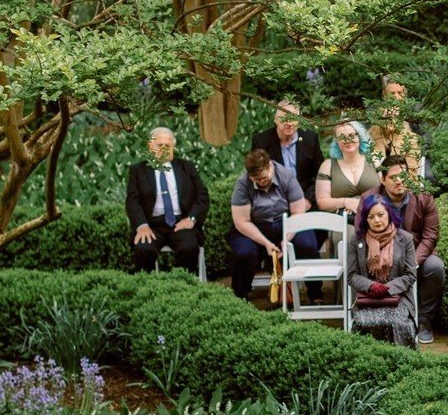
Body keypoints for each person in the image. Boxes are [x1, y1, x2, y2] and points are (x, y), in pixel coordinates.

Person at [228, 147, 311, 300]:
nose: (260, 182)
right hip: (254, 227)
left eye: (264, 177)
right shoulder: (242, 184)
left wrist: (286, 239)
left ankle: (315, 293)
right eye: (256, 179)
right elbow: (241, 221)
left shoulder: (286, 175)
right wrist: (265, 243)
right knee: (243, 253)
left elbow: (298, 212)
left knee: (307, 244)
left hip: (287, 223)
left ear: (269, 166)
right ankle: (240, 295)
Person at [377, 156, 442, 345]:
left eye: (403, 175)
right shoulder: (372, 199)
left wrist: (413, 260)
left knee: (435, 267)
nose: (399, 181)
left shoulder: (424, 197)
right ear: (383, 180)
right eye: (393, 177)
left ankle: (424, 321)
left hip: (417, 254)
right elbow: (362, 233)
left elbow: (431, 234)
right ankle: (388, 321)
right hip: (383, 255)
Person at [127, 127, 209, 273]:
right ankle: (150, 290)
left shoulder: (186, 167)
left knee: (189, 248)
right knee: (143, 249)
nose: (164, 149)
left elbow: (202, 195)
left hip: (181, 223)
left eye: (168, 146)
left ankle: (183, 287)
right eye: (160, 145)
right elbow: (133, 201)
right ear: (150, 146)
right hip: (152, 226)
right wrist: (141, 225)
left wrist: (191, 219)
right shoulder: (138, 170)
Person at [349, 192, 419, 346]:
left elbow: (410, 274)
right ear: (365, 219)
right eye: (371, 217)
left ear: (389, 213)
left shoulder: (405, 239)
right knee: (365, 323)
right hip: (367, 298)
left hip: (397, 298)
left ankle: (401, 364)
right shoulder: (356, 240)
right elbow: (352, 275)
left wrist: (388, 288)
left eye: (380, 215)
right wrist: (371, 286)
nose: (377, 220)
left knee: (398, 323)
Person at [252, 99, 324, 203]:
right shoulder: (261, 142)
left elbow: (320, 173)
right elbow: (257, 174)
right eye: (284, 118)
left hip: (306, 200)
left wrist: (308, 199)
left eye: (293, 118)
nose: (289, 123)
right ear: (275, 119)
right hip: (274, 201)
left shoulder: (310, 139)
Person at [316, 119, 380, 215]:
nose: (347, 140)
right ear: (336, 141)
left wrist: (363, 204)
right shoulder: (327, 166)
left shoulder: (375, 160)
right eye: (342, 137)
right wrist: (345, 202)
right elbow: (322, 202)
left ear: (359, 136)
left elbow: (387, 192)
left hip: (375, 216)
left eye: (352, 135)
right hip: (341, 220)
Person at [370, 76, 422, 173]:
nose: (396, 97)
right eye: (392, 93)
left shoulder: (415, 112)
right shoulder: (375, 118)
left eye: (400, 93)